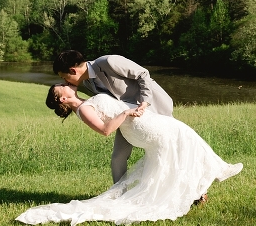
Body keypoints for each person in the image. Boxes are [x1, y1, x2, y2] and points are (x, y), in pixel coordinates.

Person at [15, 83, 242, 226]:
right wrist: (125, 112)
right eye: (61, 88)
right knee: (185, 137)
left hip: (143, 122)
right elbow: (106, 130)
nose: (65, 85)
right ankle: (211, 176)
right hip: (139, 128)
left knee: (177, 150)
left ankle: (198, 190)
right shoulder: (83, 110)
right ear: (63, 99)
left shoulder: (85, 102)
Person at [52, 50, 174, 184]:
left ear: (73, 70)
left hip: (153, 106)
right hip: (128, 118)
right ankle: (119, 195)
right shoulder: (88, 83)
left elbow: (143, 73)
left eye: (64, 77)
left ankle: (195, 191)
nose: (65, 81)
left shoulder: (108, 62)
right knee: (118, 157)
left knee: (168, 150)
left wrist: (145, 101)